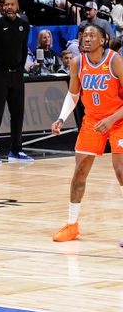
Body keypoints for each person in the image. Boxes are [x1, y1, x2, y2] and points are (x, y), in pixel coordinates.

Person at [51, 24, 123, 243]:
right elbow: (73, 95)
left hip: (118, 119)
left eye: (92, 35)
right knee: (80, 171)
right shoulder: (77, 62)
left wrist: (111, 119)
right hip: (92, 120)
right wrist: (61, 118)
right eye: (84, 35)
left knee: (121, 172)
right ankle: (72, 225)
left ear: (103, 40)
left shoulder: (115, 61)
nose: (86, 39)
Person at [0, 0, 34, 164]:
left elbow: (24, 49)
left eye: (12, 4)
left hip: (17, 75)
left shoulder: (24, 25)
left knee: (18, 114)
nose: (8, 7)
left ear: (17, 7)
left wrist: (21, 67)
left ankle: (16, 150)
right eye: (6, 4)